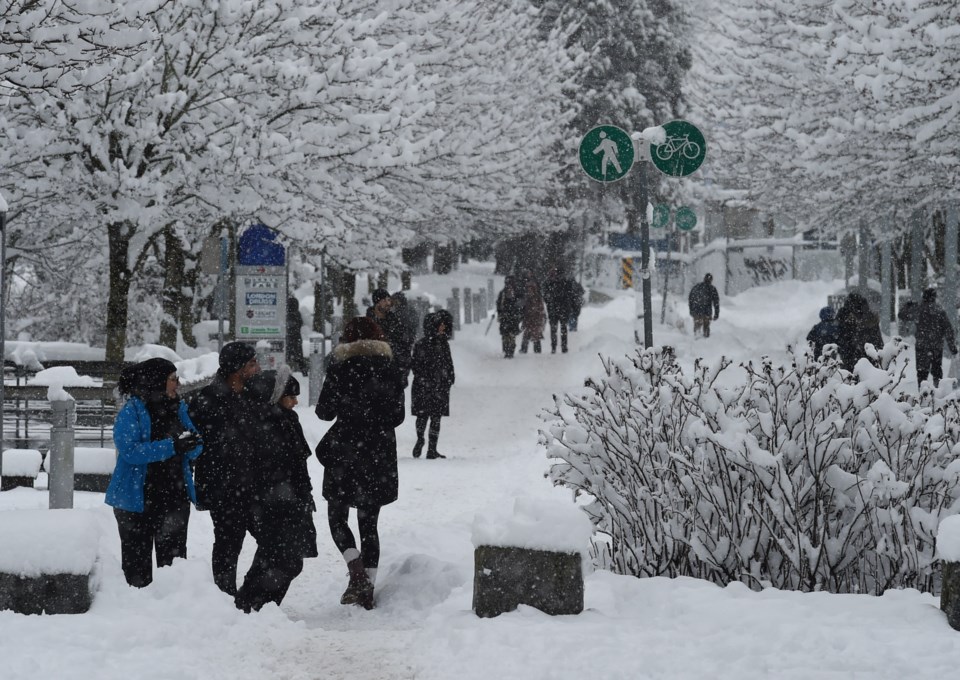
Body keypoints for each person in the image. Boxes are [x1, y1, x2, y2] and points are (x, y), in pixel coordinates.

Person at [315, 317, 405, 610]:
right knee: (369, 524)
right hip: (378, 452)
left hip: (345, 449)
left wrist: (348, 407)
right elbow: (398, 416)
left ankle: (355, 571)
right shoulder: (390, 368)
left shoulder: (341, 367)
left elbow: (324, 412)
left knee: (337, 516)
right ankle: (367, 590)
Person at [106, 358, 203, 588]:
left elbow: (196, 443)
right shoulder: (132, 411)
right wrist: (172, 446)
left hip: (174, 496)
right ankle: (138, 618)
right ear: (157, 381)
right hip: (136, 500)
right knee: (136, 570)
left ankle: (171, 616)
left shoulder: (178, 408)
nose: (177, 384)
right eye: (172, 379)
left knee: (174, 568)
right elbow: (129, 451)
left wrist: (191, 445)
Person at [235, 366, 317, 612]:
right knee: (280, 559)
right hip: (273, 504)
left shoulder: (287, 421)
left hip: (290, 501)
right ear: (273, 397)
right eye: (289, 396)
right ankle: (253, 606)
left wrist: (304, 494)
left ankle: (257, 606)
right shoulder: (261, 426)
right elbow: (265, 470)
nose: (295, 401)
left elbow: (298, 465)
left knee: (282, 559)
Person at [188, 341, 261, 595]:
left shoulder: (255, 396)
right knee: (228, 544)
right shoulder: (207, 400)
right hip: (223, 486)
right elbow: (195, 444)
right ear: (237, 368)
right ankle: (225, 598)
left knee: (274, 541)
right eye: (252, 363)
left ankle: (252, 596)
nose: (257, 368)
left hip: (255, 485)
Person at [410, 310, 455, 459]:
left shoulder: (440, 344)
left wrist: (449, 377)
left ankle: (431, 447)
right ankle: (423, 441)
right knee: (426, 416)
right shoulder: (426, 344)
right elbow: (417, 366)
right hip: (430, 384)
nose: (442, 327)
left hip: (434, 385)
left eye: (444, 324)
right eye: (440, 324)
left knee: (433, 417)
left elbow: (448, 364)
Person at [914, 288, 958, 387]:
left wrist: (908, 305)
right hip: (936, 347)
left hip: (921, 346)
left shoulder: (918, 309)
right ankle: (938, 393)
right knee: (937, 371)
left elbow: (902, 315)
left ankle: (923, 395)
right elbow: (948, 329)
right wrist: (952, 347)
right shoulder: (939, 311)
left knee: (922, 373)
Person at [367, 288, 413, 383]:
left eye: (388, 300)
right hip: (371, 380)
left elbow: (405, 349)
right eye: (384, 300)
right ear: (377, 303)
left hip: (393, 379)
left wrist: (402, 374)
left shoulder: (396, 323)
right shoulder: (366, 323)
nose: (388, 303)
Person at [835, 292, 883, 371]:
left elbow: (838, 331)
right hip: (867, 349)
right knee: (869, 373)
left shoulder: (843, 313)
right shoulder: (869, 316)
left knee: (849, 372)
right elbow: (876, 336)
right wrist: (880, 348)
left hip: (848, 350)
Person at [543, 268, 571, 354]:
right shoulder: (548, 284)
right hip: (554, 310)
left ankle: (563, 347)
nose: (553, 277)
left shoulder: (562, 283)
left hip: (561, 310)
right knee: (554, 330)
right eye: (551, 275)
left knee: (562, 329)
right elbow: (545, 297)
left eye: (554, 275)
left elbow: (567, 296)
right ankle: (555, 347)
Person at [496, 275, 523, 358]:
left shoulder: (504, 293)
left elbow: (499, 304)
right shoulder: (514, 292)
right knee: (510, 334)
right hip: (512, 316)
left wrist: (500, 312)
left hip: (509, 316)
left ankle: (508, 349)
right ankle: (509, 349)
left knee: (508, 334)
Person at [688, 273, 720, 338]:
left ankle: (696, 340)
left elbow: (691, 298)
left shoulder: (696, 287)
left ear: (704, 278)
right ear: (711, 280)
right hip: (707, 312)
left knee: (697, 327)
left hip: (696, 311)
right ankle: (706, 342)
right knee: (706, 327)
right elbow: (716, 302)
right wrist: (716, 314)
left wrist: (691, 310)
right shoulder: (712, 289)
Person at [520, 279, 546, 354]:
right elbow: (523, 309)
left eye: (530, 289)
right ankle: (523, 349)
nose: (529, 291)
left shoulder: (538, 298)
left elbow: (541, 310)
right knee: (526, 335)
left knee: (536, 336)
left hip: (536, 320)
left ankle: (537, 350)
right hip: (528, 319)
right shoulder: (526, 298)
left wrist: (540, 319)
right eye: (528, 289)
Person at [286, 296, 306, 373]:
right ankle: (303, 371)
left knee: (287, 356)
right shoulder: (297, 314)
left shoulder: (286, 314)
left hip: (288, 338)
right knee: (299, 356)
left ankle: (288, 371)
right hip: (297, 338)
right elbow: (300, 324)